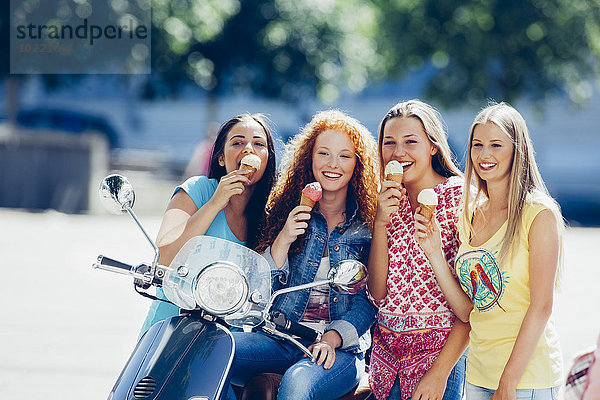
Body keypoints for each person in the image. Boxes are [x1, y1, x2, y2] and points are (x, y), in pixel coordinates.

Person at [225, 109, 380, 400]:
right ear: (309, 158)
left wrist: (332, 340)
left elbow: (368, 303)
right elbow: (259, 288)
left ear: (357, 164)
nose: (333, 164)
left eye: (345, 156)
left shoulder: (368, 228)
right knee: (215, 348)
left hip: (339, 352)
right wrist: (283, 239)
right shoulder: (284, 211)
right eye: (324, 153)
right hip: (280, 339)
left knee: (298, 382)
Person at [428, 102, 564, 399]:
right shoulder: (471, 213)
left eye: (496, 145)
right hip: (477, 374)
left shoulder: (539, 214)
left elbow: (541, 307)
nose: (484, 155)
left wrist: (508, 383)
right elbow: (470, 309)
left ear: (518, 151)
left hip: (526, 380)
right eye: (477, 145)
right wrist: (435, 253)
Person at [367, 99, 470, 400]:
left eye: (411, 141)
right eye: (389, 143)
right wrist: (379, 222)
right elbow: (378, 292)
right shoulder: (387, 201)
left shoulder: (461, 198)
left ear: (433, 146)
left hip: (441, 359)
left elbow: (471, 308)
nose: (398, 153)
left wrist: (440, 373)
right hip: (387, 364)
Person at [138, 113, 277, 336]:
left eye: (258, 144)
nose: (249, 149)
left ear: (267, 158)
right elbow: (165, 257)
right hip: (170, 325)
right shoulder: (198, 189)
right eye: (238, 142)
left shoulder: (268, 216)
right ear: (221, 158)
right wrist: (214, 204)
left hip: (223, 338)